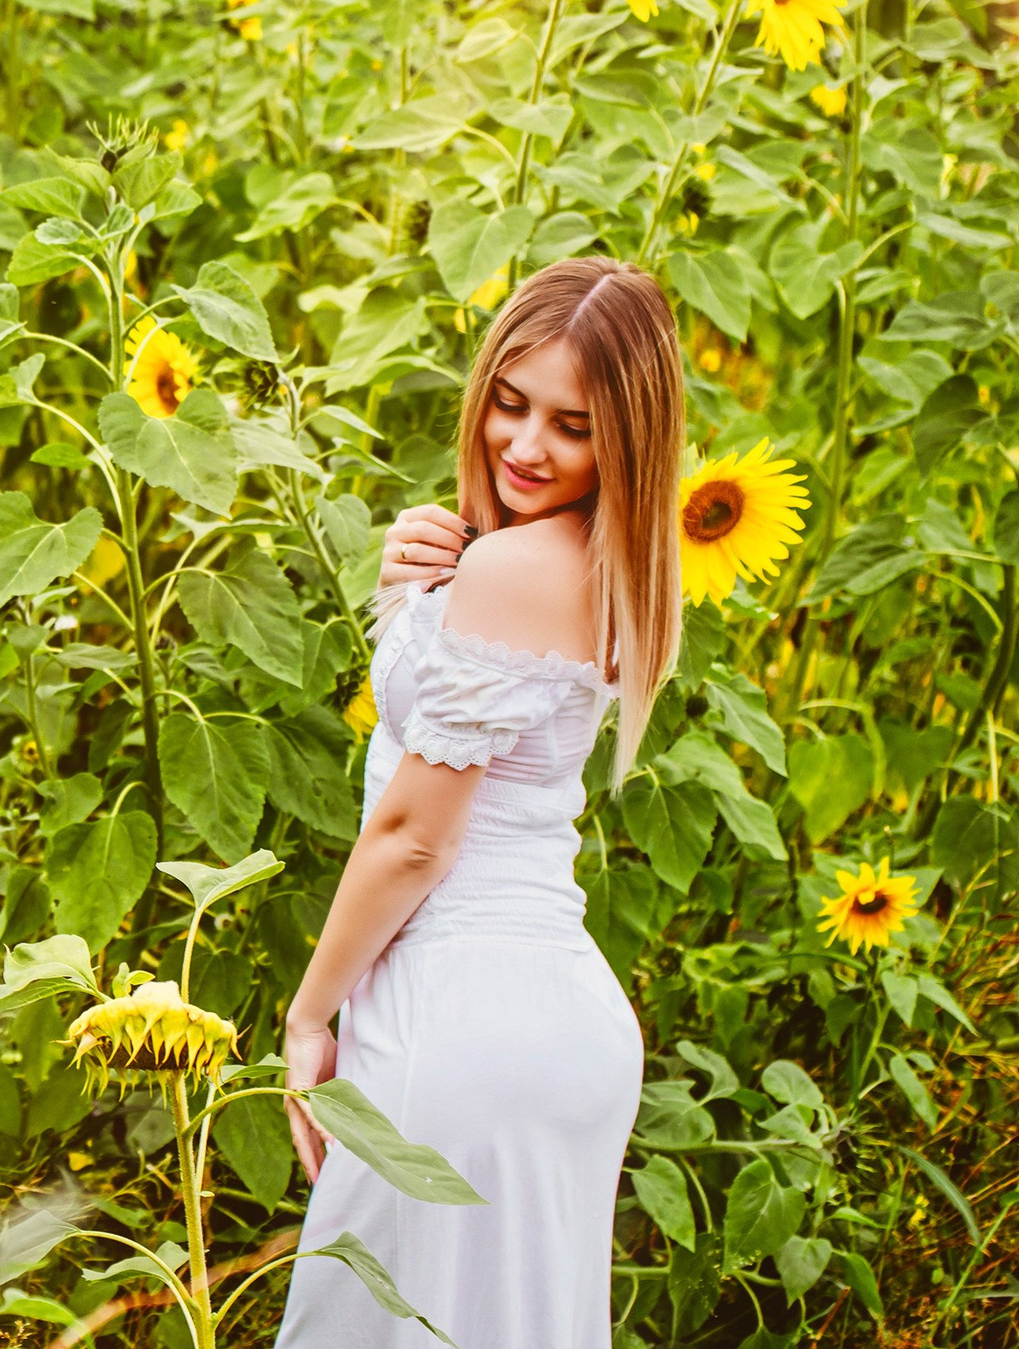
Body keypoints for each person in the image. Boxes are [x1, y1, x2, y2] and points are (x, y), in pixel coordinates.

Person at [274, 256, 685, 1348]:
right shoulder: (589, 562)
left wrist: (310, 1013)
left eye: (571, 426)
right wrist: (418, 587)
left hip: (456, 1017)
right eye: (508, 403)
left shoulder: (515, 567)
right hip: (548, 1016)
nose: (522, 445)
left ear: (627, 442)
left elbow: (413, 836)